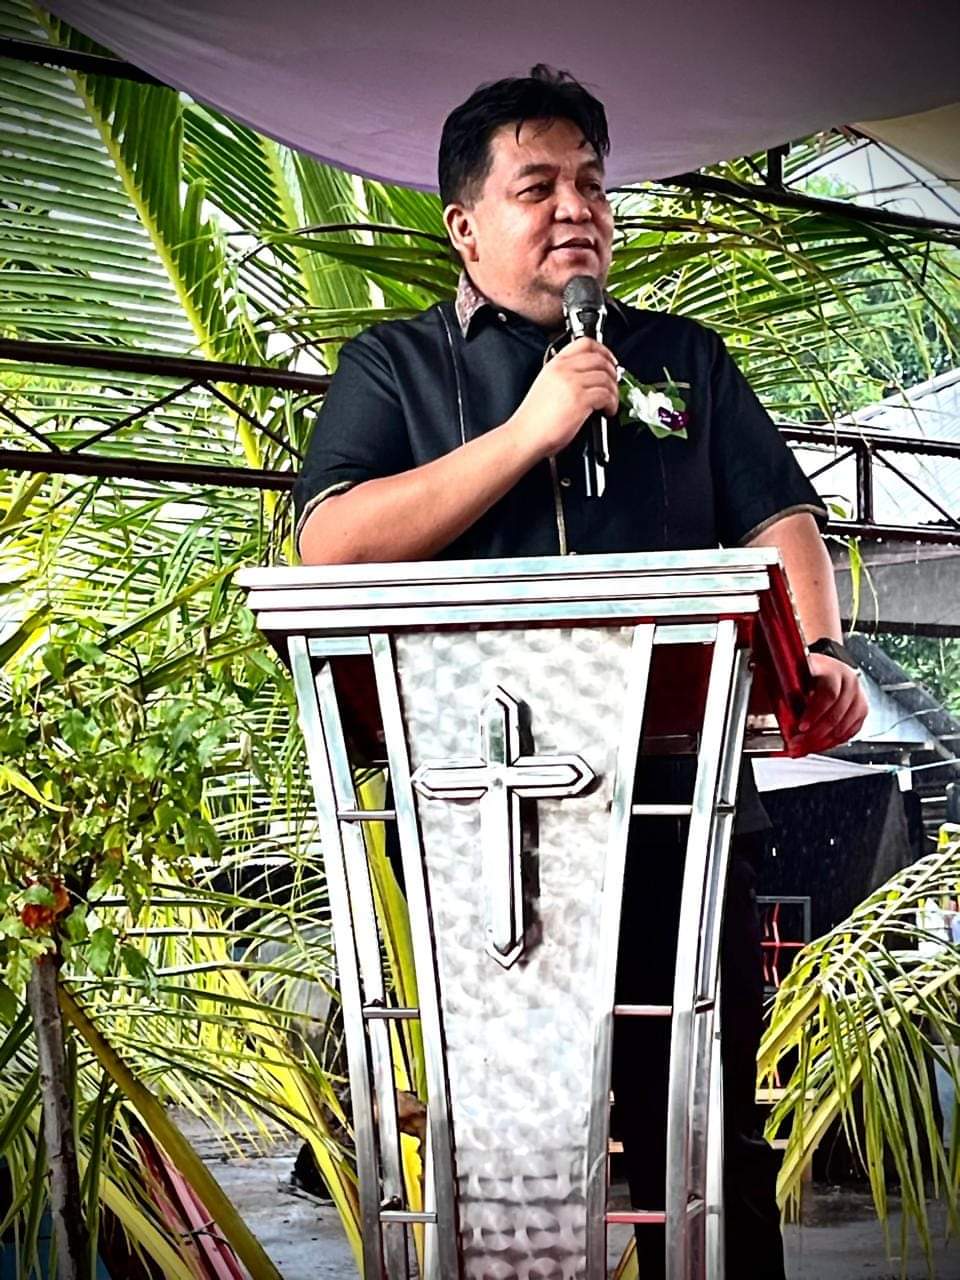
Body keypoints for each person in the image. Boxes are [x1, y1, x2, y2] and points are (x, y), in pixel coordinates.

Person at [293, 66, 867, 1278]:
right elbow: (329, 541)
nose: (577, 208)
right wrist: (530, 431)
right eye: (538, 185)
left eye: (594, 184)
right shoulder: (395, 367)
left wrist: (818, 653)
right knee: (506, 1143)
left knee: (700, 1127)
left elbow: (780, 525)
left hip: (679, 802)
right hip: (482, 827)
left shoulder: (681, 359)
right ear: (464, 224)